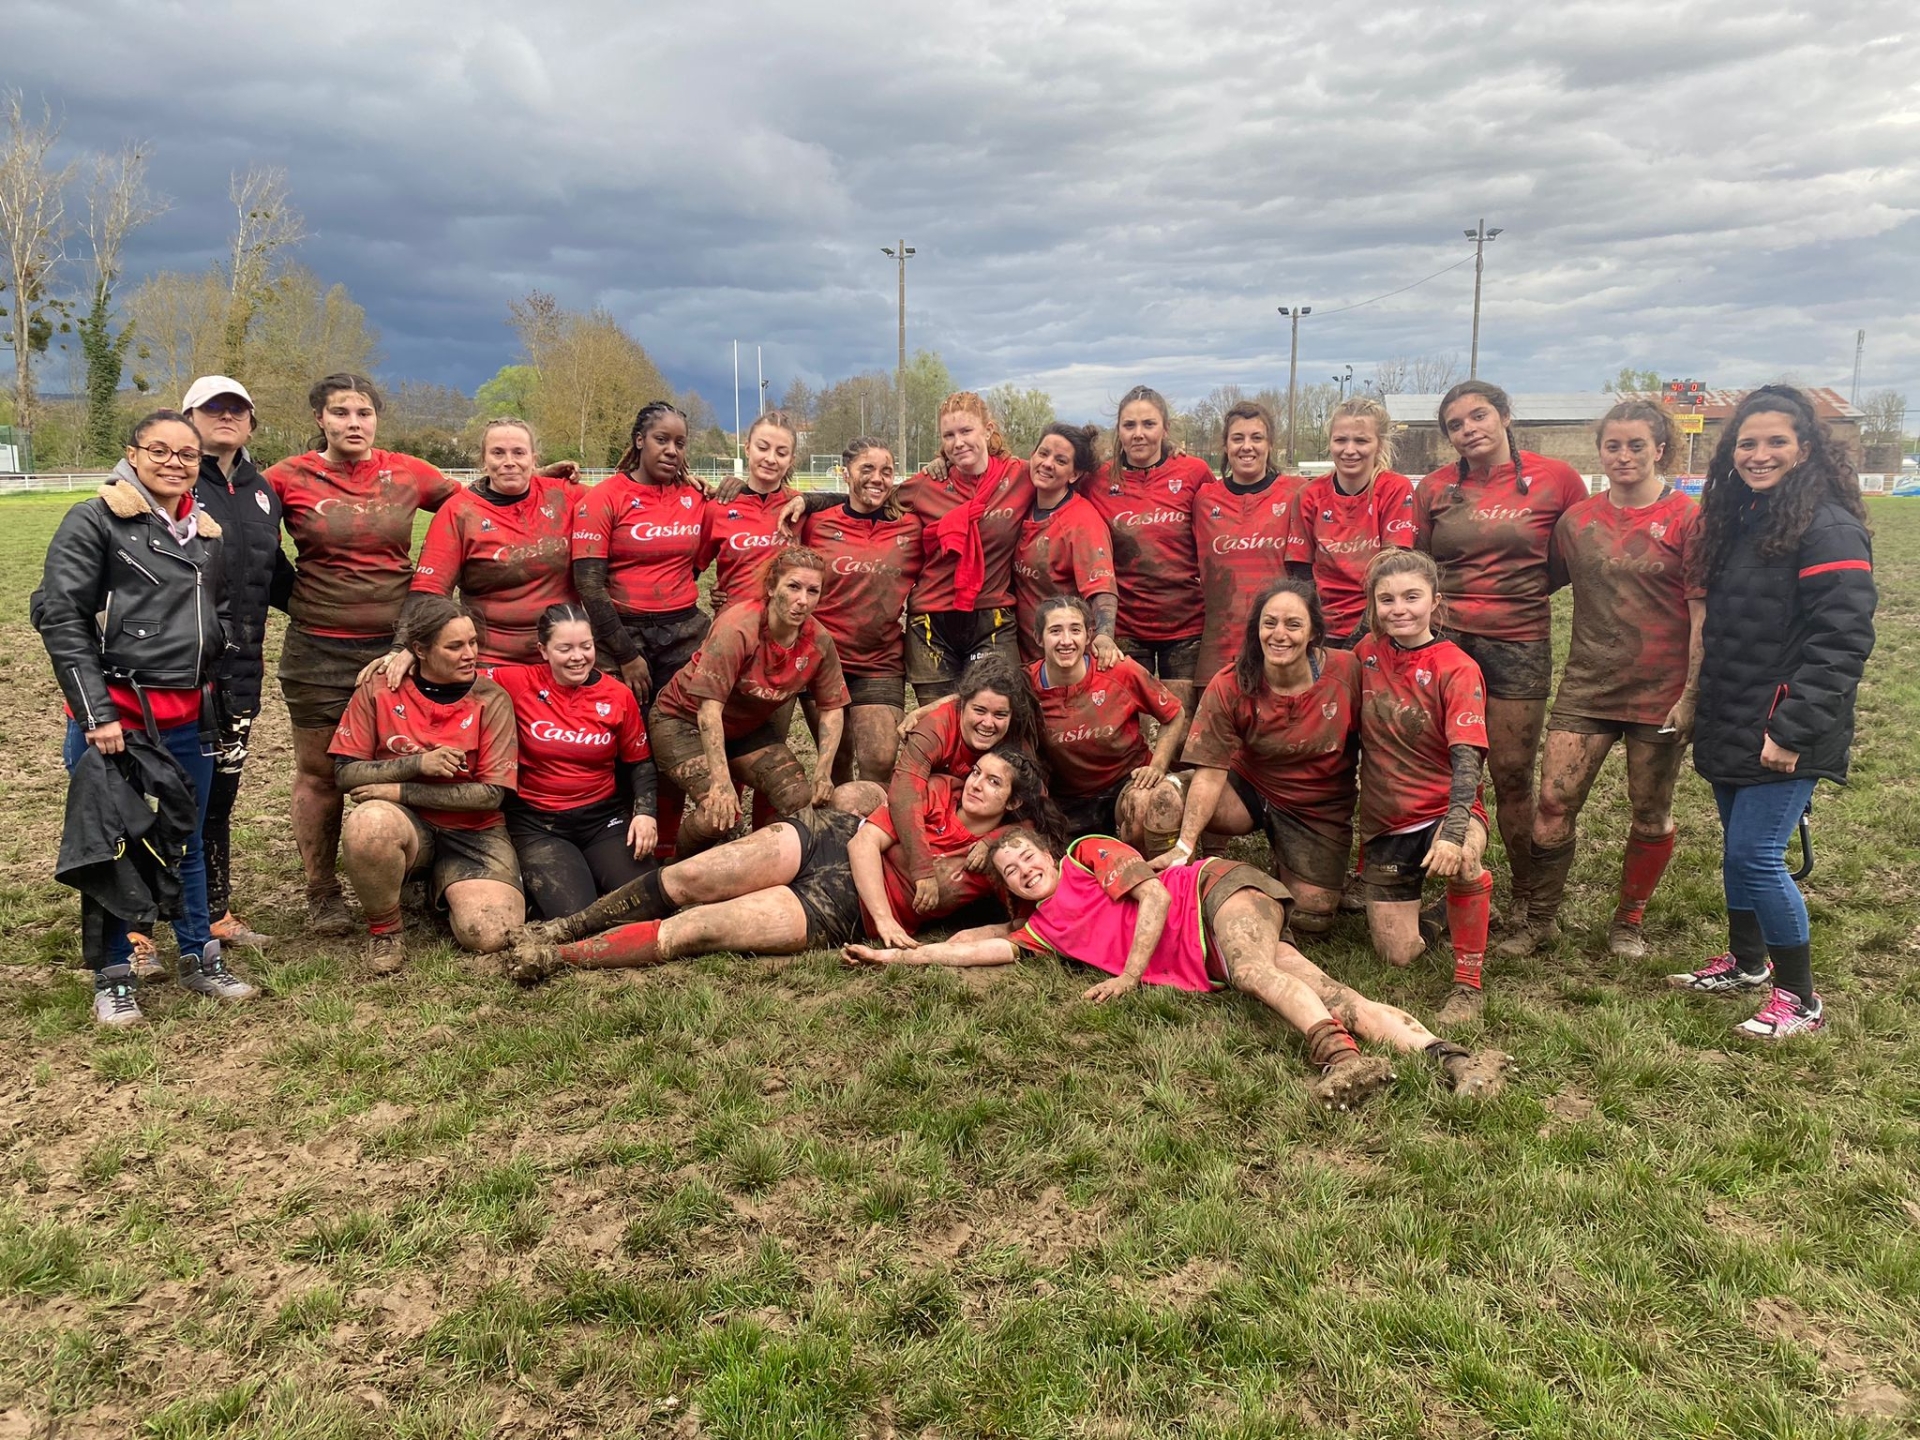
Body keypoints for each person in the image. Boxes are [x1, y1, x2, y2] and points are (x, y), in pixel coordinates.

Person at [844, 830, 1509, 1109]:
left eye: (1026, 852)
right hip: (1210, 950)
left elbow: (1157, 894)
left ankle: (1338, 1059)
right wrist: (900, 953)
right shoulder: (1040, 931)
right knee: (1324, 988)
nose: (1025, 865)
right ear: (1013, 892)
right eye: (1013, 870)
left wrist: (1131, 976)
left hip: (1215, 893)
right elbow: (971, 951)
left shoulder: (1084, 854)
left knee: (1254, 971)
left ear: (1044, 849)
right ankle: (1449, 1056)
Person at [33, 410, 257, 1024]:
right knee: (111, 844)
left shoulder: (204, 531)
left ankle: (199, 954)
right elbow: (60, 617)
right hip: (118, 719)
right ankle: (113, 974)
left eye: (187, 454)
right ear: (133, 454)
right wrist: (95, 712)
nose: (174, 462)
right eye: (160, 450)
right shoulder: (95, 520)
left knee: (183, 838)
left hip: (188, 717)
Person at [1670, 385, 1876, 1039]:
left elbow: (1841, 643)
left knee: (1758, 855)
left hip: (1785, 726)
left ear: (1806, 448)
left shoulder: (1829, 526)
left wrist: (1791, 731)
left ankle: (1801, 999)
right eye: (1747, 443)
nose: (1759, 455)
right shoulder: (1747, 518)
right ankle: (1747, 963)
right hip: (1735, 712)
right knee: (1737, 850)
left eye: (1775, 442)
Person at [504, 747, 1063, 977]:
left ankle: (557, 955)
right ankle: (564, 924)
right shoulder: (935, 788)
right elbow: (865, 843)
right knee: (692, 875)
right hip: (830, 839)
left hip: (841, 910)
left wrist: (965, 936)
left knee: (701, 928)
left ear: (1013, 801)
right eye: (978, 774)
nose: (977, 786)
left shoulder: (1014, 848)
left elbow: (1032, 918)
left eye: (994, 783)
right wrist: (891, 923)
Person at [1500, 400, 1704, 959]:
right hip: (1587, 686)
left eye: (1637, 445)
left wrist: (1692, 693)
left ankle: (1628, 922)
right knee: (1552, 803)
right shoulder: (1576, 523)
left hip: (1661, 693)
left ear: (1660, 448)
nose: (1624, 456)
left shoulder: (1689, 518)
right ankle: (1540, 919)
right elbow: (1536, 586)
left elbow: (1705, 614)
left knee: (1650, 809)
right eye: (1613, 446)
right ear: (1600, 452)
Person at [266, 374, 462, 936]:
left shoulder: (408, 472)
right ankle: (322, 890)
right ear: (319, 420)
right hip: (317, 649)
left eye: (364, 412)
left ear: (377, 418)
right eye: (341, 412)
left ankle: (419, 872)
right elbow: (245, 533)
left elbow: (472, 505)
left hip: (400, 646)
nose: (354, 422)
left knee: (417, 756)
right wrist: (298, 598)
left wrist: (537, 481)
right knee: (322, 771)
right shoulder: (287, 477)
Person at [1413, 381, 1588, 926]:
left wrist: (1518, 595)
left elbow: (1569, 561)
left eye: (1479, 416)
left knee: (1512, 772)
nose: (1470, 430)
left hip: (1519, 640)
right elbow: (1417, 564)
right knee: (1449, 768)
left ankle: (1526, 893)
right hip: (1446, 643)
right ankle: (1457, 880)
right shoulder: (1436, 487)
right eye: (1456, 425)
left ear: (1506, 415)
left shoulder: (1557, 479)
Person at [1156, 581, 1361, 937]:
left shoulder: (1348, 673)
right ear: (1256, 628)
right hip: (1248, 790)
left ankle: (1292, 863)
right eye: (1270, 623)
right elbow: (1209, 770)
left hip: (1317, 807)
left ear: (1314, 632)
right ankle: (1167, 889)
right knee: (1156, 802)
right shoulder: (1232, 682)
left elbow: (1376, 757)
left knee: (1311, 916)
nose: (1279, 634)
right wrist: (1185, 843)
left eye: (1293, 625)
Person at [330, 597, 523, 973]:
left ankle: (440, 885)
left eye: (473, 642)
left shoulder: (491, 698)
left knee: (491, 935)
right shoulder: (379, 689)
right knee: (369, 825)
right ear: (420, 650)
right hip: (409, 827)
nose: (470, 654)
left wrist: (400, 790)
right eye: (455, 646)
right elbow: (345, 774)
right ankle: (386, 930)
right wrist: (417, 764)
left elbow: (491, 795)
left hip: (475, 833)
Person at [1352, 550, 1495, 1027]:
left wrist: (1456, 829)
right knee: (1398, 955)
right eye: (1387, 599)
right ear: (1373, 605)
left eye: (1412, 597)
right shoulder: (1364, 656)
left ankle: (1467, 985)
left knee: (1467, 858)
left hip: (1444, 810)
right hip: (1387, 819)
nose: (1400, 609)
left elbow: (1468, 758)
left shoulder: (1457, 666)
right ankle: (1439, 917)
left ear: (1436, 602)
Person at [570, 400, 712, 857]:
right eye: (661, 440)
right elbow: (588, 585)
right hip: (620, 637)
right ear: (638, 441)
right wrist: (627, 654)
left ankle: (666, 843)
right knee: (620, 740)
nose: (672, 450)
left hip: (684, 633)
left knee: (671, 740)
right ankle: (614, 839)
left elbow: (700, 564)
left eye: (680, 443)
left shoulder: (695, 497)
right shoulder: (604, 497)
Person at [184, 374, 293, 954]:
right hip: (175, 673)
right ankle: (134, 927)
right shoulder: (172, 479)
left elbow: (274, 575)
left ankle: (214, 910)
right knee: (160, 798)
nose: (227, 416)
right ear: (189, 416)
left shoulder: (260, 490)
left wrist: (337, 614)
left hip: (241, 669)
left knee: (220, 796)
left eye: (238, 409)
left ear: (251, 423)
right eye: (213, 408)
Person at [647, 546, 849, 854]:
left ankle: (767, 867)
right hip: (681, 721)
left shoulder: (818, 639)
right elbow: (708, 712)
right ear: (771, 587)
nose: (802, 600)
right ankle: (677, 867)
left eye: (813, 591)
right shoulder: (738, 627)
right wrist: (720, 782)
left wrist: (823, 771)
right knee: (720, 813)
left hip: (744, 729)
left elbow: (832, 709)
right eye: (793, 587)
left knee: (797, 796)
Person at [491, 604, 656, 922]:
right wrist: (407, 657)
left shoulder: (617, 695)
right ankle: (547, 885)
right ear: (543, 650)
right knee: (577, 917)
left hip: (602, 819)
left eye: (586, 646)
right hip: (539, 824)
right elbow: (456, 670)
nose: (577, 657)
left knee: (645, 906)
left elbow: (641, 763)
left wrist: (645, 813)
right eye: (564, 648)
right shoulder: (516, 681)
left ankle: (591, 871)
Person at [1077, 386, 1213, 712]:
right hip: (1123, 627)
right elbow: (1047, 481)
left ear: (1165, 428)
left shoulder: (1193, 473)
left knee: (1181, 730)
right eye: (1129, 425)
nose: (1139, 434)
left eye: (1149, 424)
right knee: (1124, 730)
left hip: (1185, 626)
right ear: (1119, 430)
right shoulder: (1096, 480)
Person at [798, 437, 923, 784]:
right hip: (822, 660)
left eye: (886, 471)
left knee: (880, 762)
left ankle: (875, 833)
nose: (877, 478)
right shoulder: (816, 523)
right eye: (866, 468)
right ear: (845, 472)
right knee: (837, 759)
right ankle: (840, 832)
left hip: (879, 661)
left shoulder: (911, 527)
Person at [410, 418, 579, 666]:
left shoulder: (564, 495)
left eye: (518, 452)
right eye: (498, 453)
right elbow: (430, 590)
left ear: (534, 459)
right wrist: (403, 647)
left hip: (564, 654)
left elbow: (620, 499)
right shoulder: (459, 511)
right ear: (483, 460)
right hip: (492, 658)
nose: (509, 461)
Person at [899, 391, 1034, 699]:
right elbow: (873, 501)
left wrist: (1165, 455)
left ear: (988, 429)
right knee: (938, 724)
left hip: (993, 617)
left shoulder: (1020, 476)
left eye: (966, 431)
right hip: (931, 621)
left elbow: (1070, 472)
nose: (958, 442)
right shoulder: (926, 484)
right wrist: (809, 501)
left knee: (998, 715)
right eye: (949, 435)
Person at [888, 653, 1042, 917]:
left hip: (970, 835)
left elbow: (1038, 812)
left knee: (948, 881)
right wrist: (922, 868)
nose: (987, 723)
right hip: (927, 817)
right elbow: (904, 793)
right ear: (962, 705)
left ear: (1011, 715)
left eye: (999, 714)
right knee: (853, 797)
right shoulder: (936, 726)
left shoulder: (1016, 743)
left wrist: (994, 839)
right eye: (979, 711)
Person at [1026, 595, 1186, 846]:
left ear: (1089, 636)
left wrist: (1158, 765)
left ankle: (1159, 872)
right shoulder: (1026, 687)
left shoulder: (1120, 671)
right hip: (1065, 798)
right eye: (1055, 631)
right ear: (1038, 638)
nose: (1066, 641)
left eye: (1075, 630)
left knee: (1148, 804)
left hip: (1126, 782)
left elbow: (1174, 714)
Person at [1286, 397, 1416, 647]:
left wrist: (1362, 634)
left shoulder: (1394, 488)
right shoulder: (1310, 494)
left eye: (1361, 440)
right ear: (1330, 443)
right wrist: (1314, 627)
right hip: (1324, 627)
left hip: (1379, 625)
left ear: (1378, 445)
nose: (1349, 450)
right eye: (1341, 440)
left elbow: (1394, 570)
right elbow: (1301, 572)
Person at [1192, 400, 1301, 687]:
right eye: (1237, 438)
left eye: (1257, 438)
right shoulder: (1204, 499)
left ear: (1270, 444)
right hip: (1219, 644)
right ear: (1225, 446)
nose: (1247, 446)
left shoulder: (1296, 492)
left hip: (1279, 643)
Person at [1011, 423, 1117, 666]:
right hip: (1025, 656)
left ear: (1074, 474)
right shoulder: (1021, 503)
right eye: (1043, 453)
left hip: (1065, 660)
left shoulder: (1082, 522)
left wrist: (1104, 635)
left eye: (1060, 460)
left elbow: (1101, 589)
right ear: (1032, 455)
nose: (1047, 463)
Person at [705, 409, 801, 612]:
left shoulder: (801, 508)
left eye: (781, 453)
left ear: (791, 460)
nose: (770, 458)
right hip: (733, 627)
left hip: (785, 628)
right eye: (763, 448)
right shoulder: (717, 507)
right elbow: (688, 570)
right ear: (747, 448)